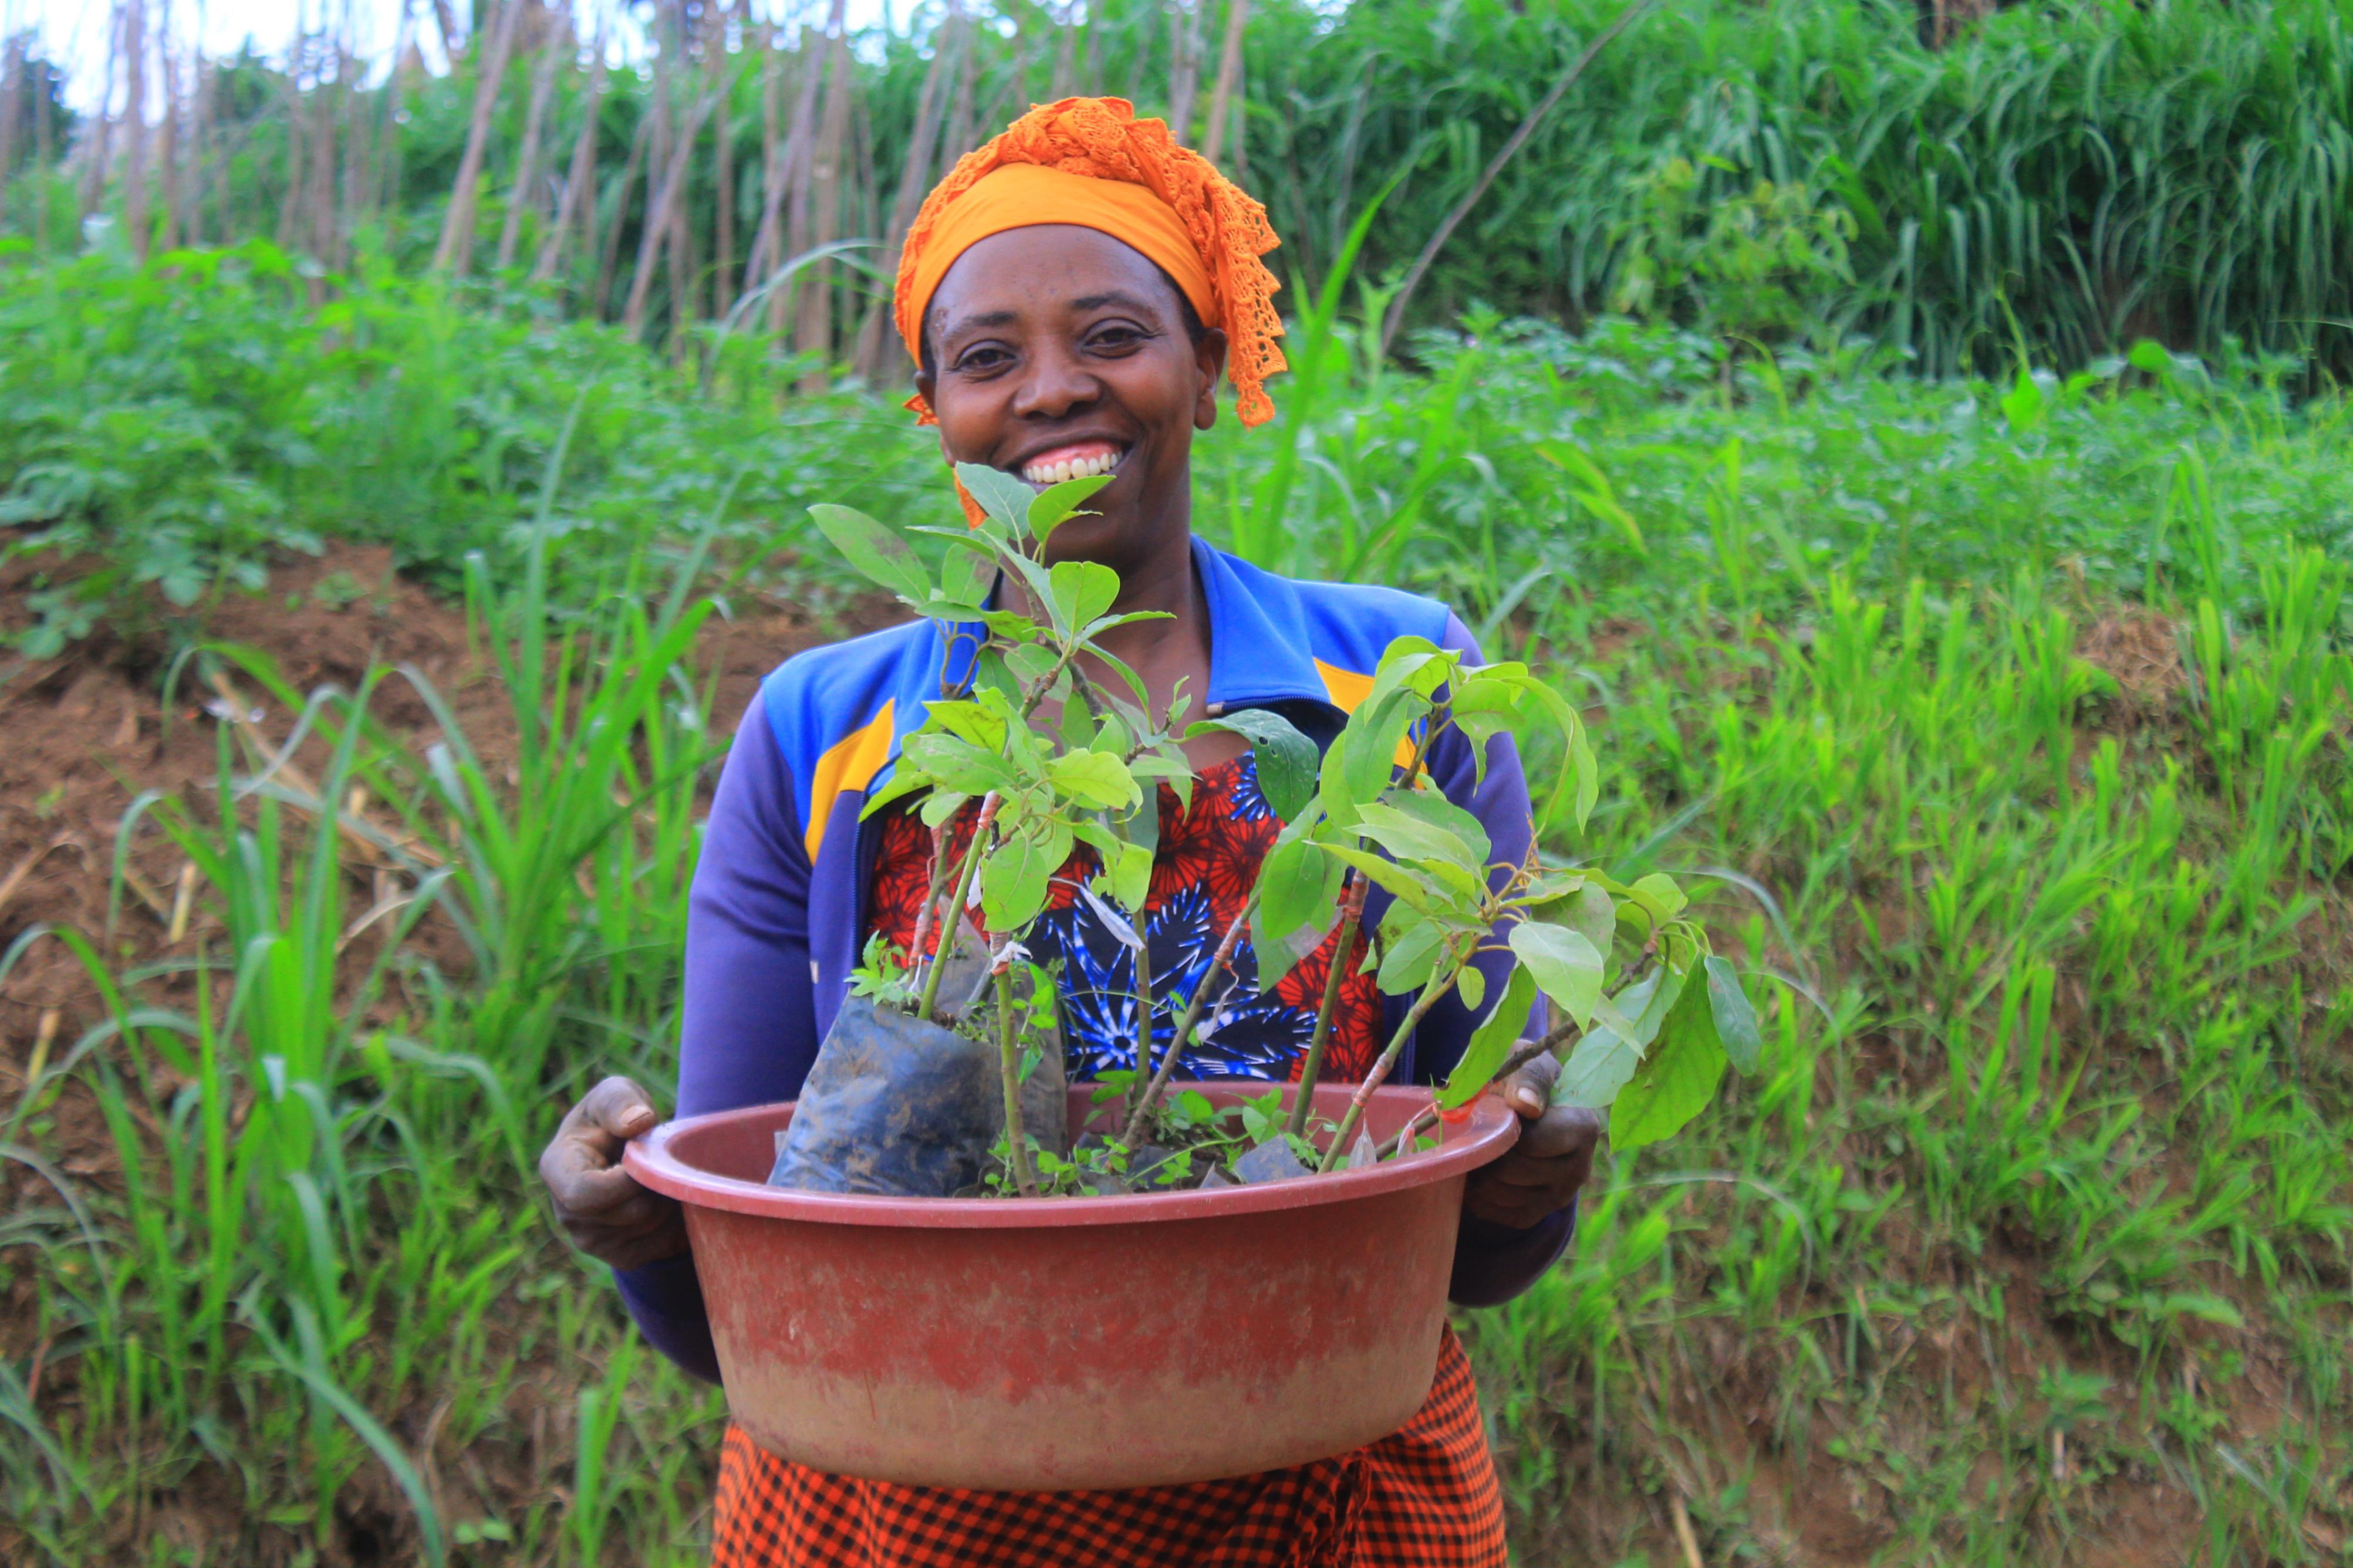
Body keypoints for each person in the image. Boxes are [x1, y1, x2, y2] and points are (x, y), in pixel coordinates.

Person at [538, 96, 1604, 1568]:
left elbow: (1484, 1253)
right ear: (938, 416)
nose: (1053, 391)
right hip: (898, 1511)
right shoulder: (823, 735)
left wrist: (1533, 1166)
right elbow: (760, 1267)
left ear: (1206, 360)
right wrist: (643, 1223)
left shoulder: (1396, 697)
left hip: (1331, 1493)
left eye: (1112, 333)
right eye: (987, 358)